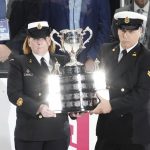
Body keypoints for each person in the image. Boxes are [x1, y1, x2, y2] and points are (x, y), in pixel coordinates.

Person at [7, 21, 71, 150]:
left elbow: (70, 91)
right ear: (29, 42)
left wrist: (75, 109)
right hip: (30, 133)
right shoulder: (18, 63)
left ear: (49, 40)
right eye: (34, 38)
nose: (39, 42)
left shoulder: (64, 61)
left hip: (57, 131)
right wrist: (38, 108)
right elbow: (14, 94)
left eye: (42, 38)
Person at [91, 11, 150, 150]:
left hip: (132, 133)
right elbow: (97, 82)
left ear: (140, 31)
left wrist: (111, 105)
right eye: (122, 30)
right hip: (106, 130)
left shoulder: (146, 58)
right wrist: (84, 104)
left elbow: (142, 95)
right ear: (117, 30)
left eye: (131, 30)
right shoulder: (106, 50)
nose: (126, 35)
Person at [41, 0, 111, 71]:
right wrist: (50, 58)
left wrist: (93, 56)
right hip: (58, 62)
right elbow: (44, 28)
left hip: (90, 62)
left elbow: (105, 29)